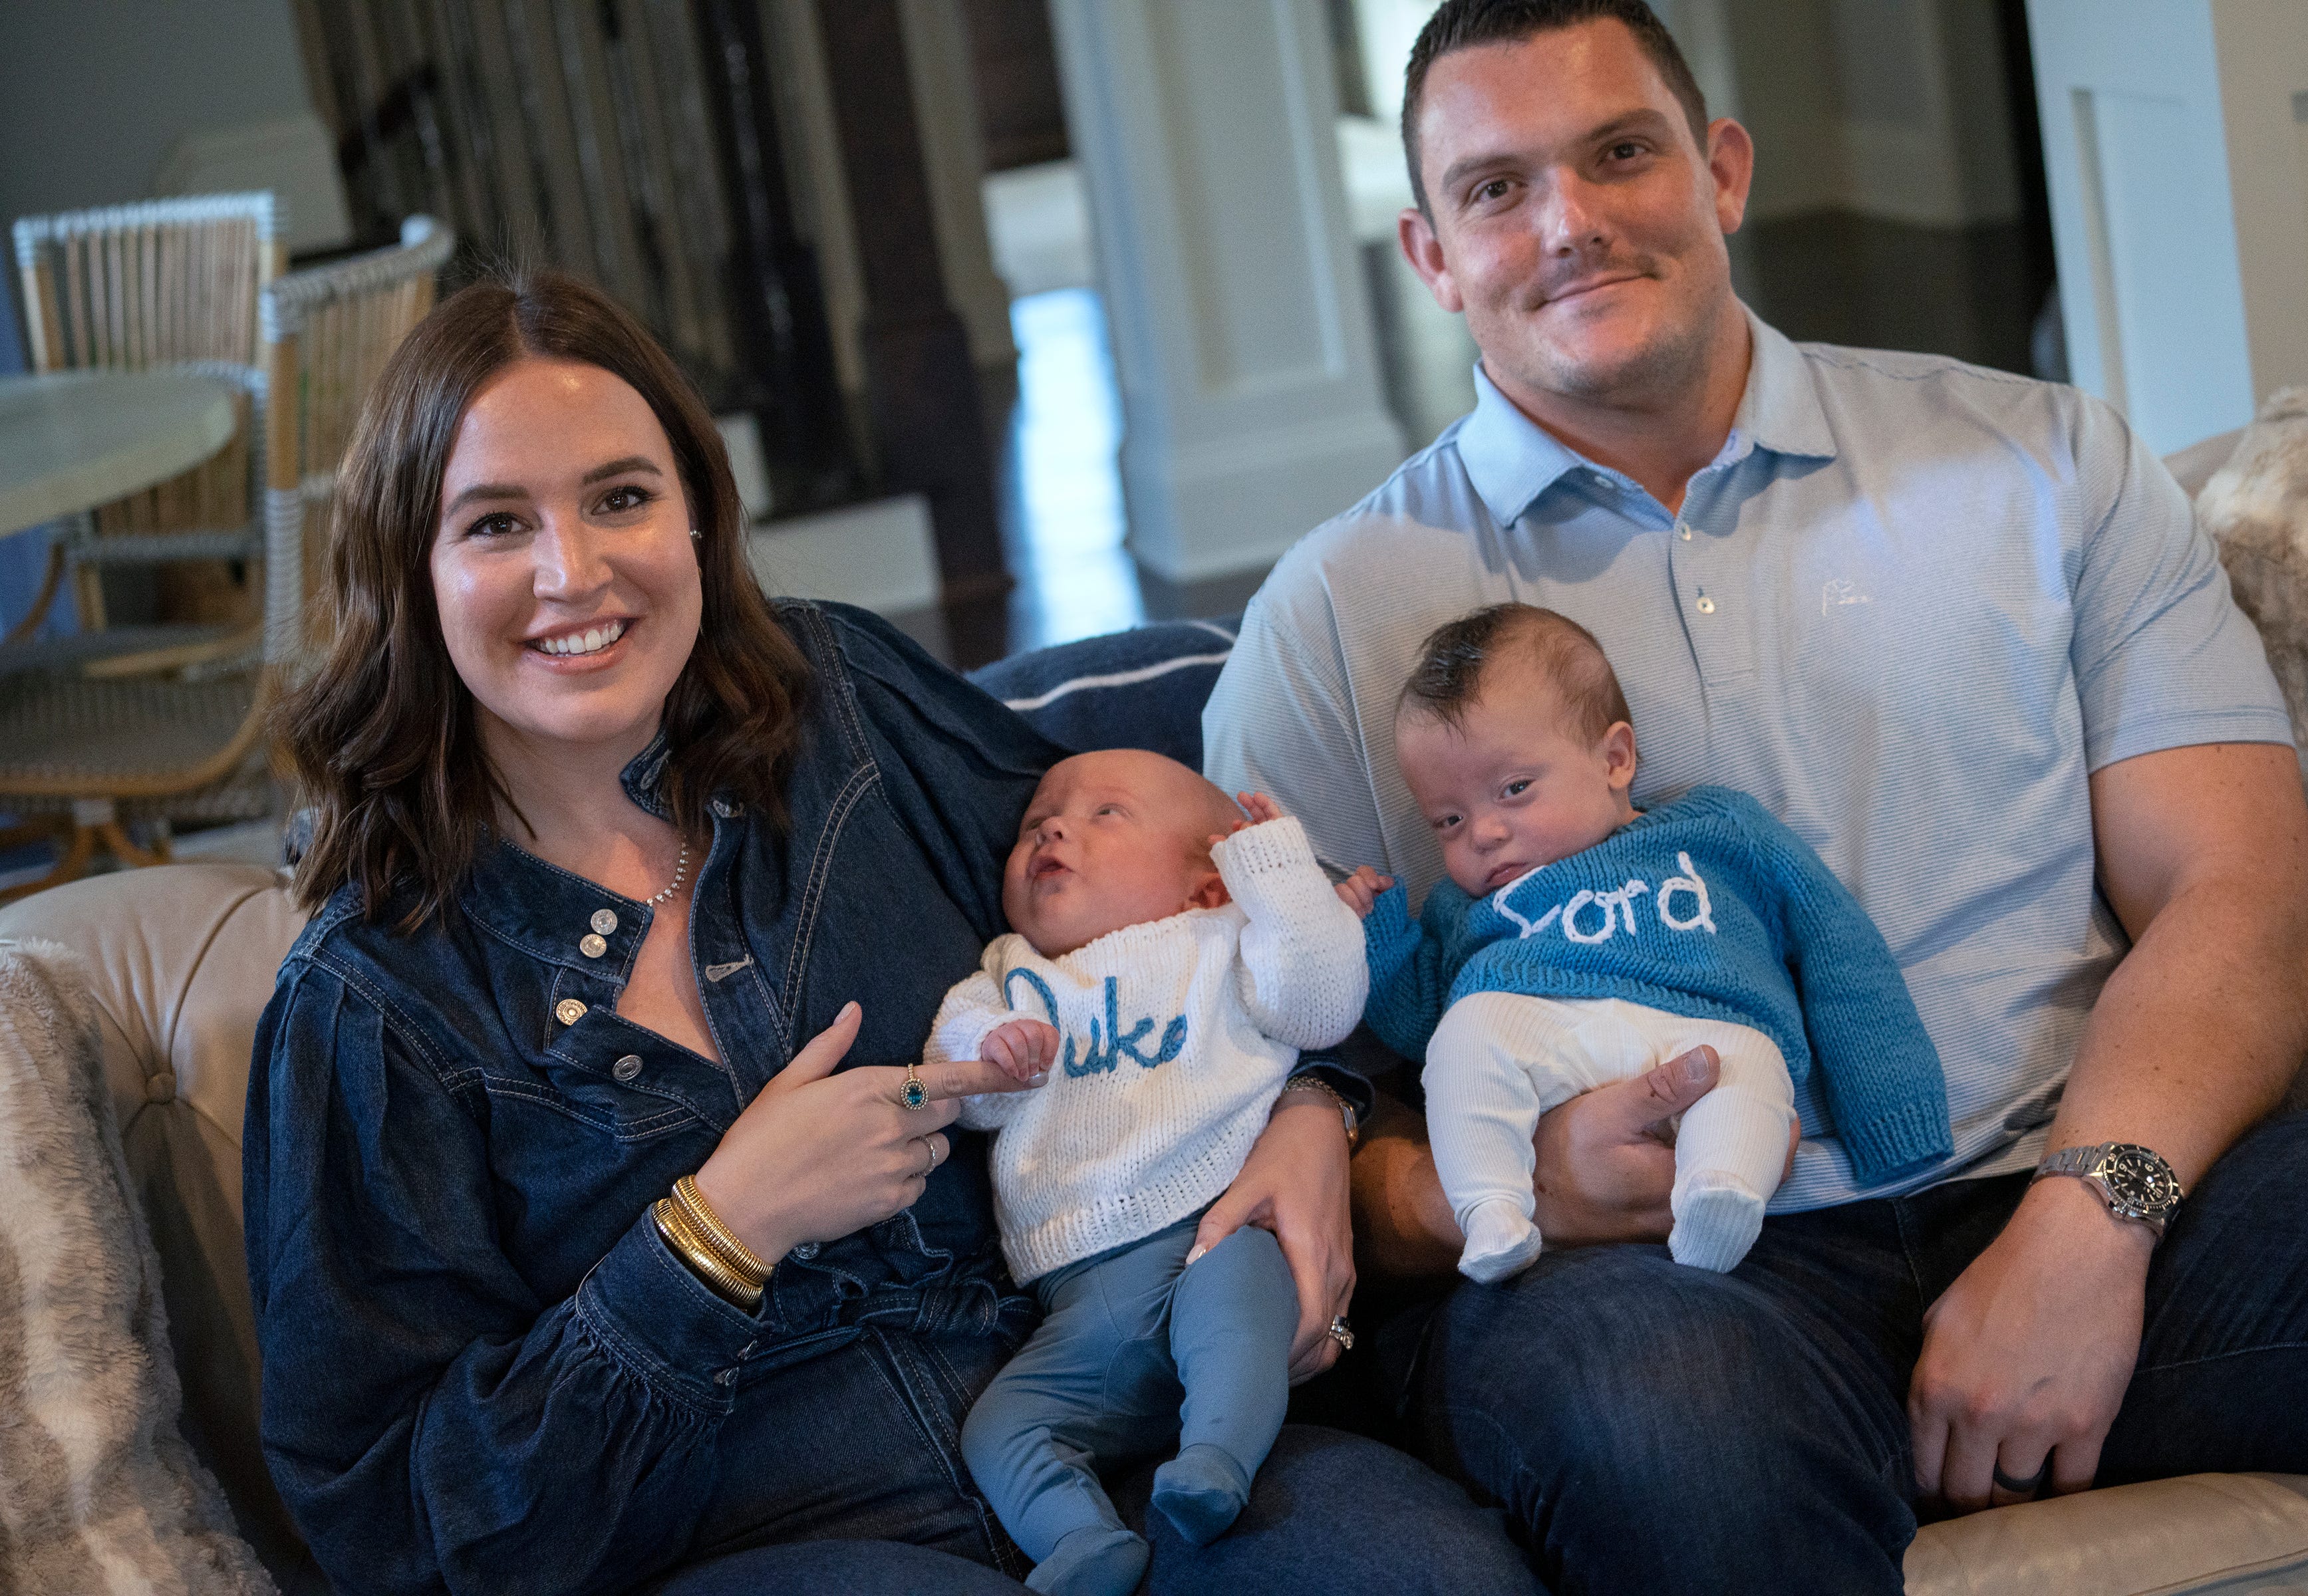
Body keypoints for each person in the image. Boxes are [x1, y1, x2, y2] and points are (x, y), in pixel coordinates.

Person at [1203, 1, 2308, 1591]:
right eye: (1496, 189)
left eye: (1621, 151)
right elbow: (1267, 1092)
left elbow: (2238, 888)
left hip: (2074, 1173)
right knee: (1668, 1429)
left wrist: (2091, 1216)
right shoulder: (1330, 615)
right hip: (1653, 1276)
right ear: (1430, 253)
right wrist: (1490, 1185)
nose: (1569, 222)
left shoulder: (2038, 462)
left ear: (1723, 168)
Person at [245, 271, 1542, 1596]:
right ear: (412, 570)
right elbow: (395, 1530)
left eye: (621, 497)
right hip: (776, 1545)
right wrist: (716, 1233)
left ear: (696, 516)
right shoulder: (368, 1003)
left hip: (1117, 1427)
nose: (573, 572)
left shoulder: (843, 710)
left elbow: (1166, 905)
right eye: (496, 523)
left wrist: (1312, 1110)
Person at [1350, 603, 1949, 1280]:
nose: (1484, 833)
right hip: (1547, 1037)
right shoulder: (1466, 907)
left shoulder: (1718, 831)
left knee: (1753, 1066)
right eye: (1449, 819)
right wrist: (1377, 936)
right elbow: (1416, 1025)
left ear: (1615, 759)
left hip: (1708, 1029)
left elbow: (1840, 951)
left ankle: (1719, 1194)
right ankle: (1490, 1209)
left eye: (1515, 789)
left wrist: (1893, 1115)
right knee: (1465, 1035)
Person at [929, 754, 1365, 1595]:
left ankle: (1214, 1462)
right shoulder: (1009, 973)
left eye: (1106, 814)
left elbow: (1321, 1006)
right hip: (1081, 1301)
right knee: (1001, 1427)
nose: (1053, 827)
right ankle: (1084, 1541)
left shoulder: (1229, 941)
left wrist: (1277, 880)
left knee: (1238, 1317)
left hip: (1217, 1236)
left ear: (1208, 882)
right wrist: (987, 1056)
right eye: (1037, 821)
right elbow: (955, 1080)